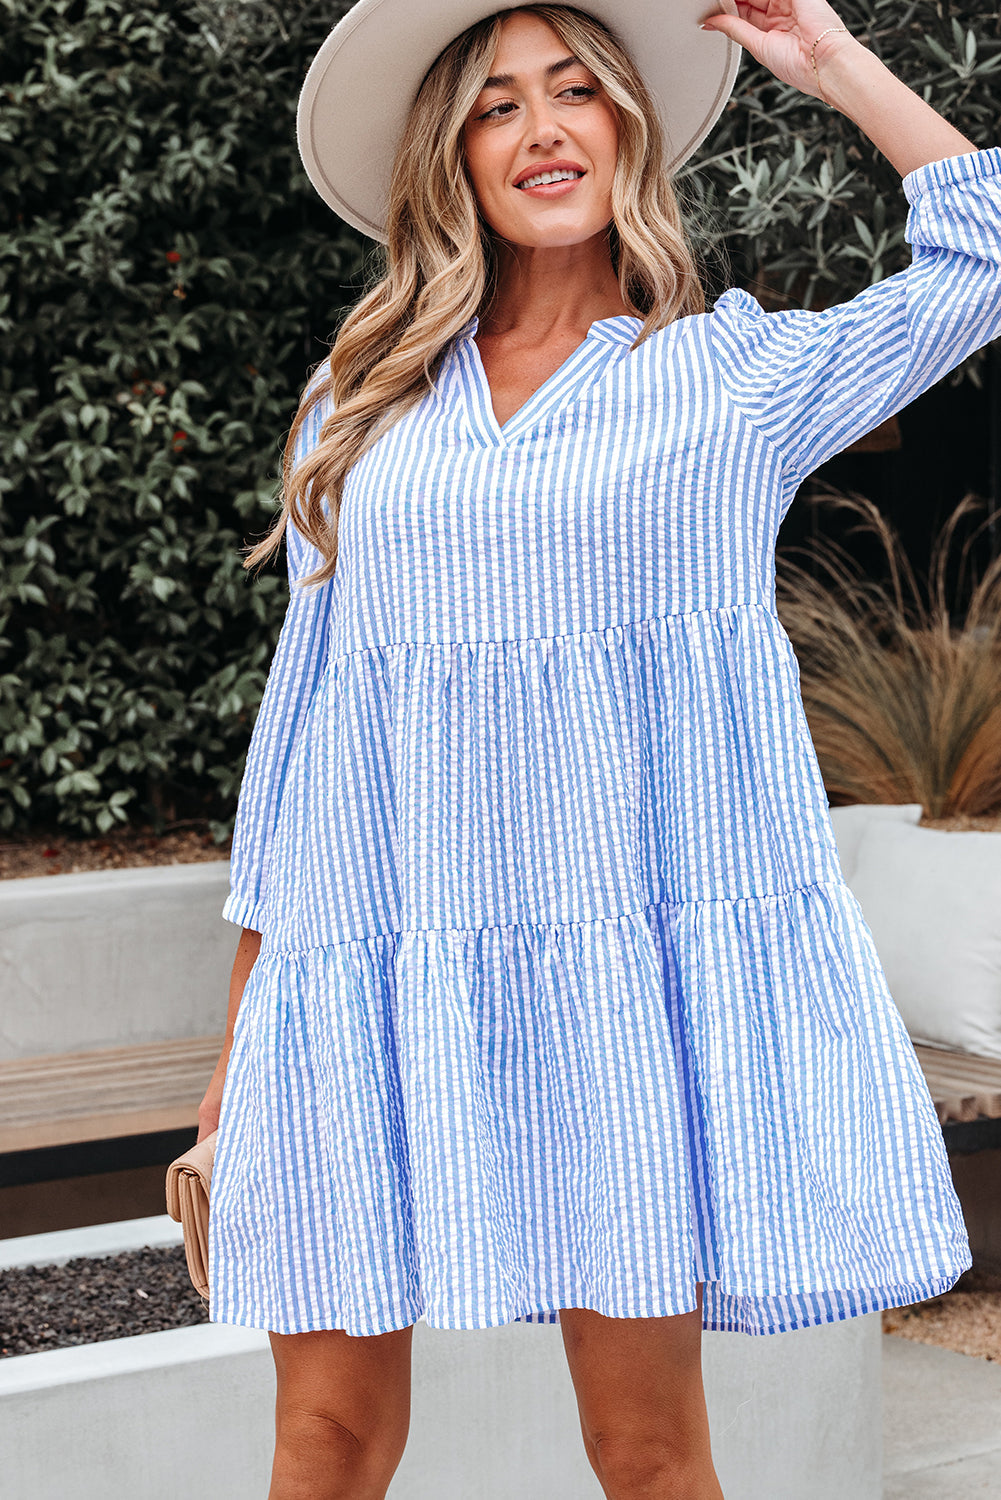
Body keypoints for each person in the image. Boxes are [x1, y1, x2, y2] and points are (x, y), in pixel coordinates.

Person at [197, 1, 1001, 1495]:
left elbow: (987, 254)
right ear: (451, 154)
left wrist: (831, 62)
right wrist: (241, 1049)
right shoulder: (361, 399)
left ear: (626, 127)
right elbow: (306, 730)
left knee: (643, 1449)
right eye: (496, 104)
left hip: (617, 998)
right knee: (324, 1438)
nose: (543, 129)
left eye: (575, 90)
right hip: (368, 975)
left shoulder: (728, 378)